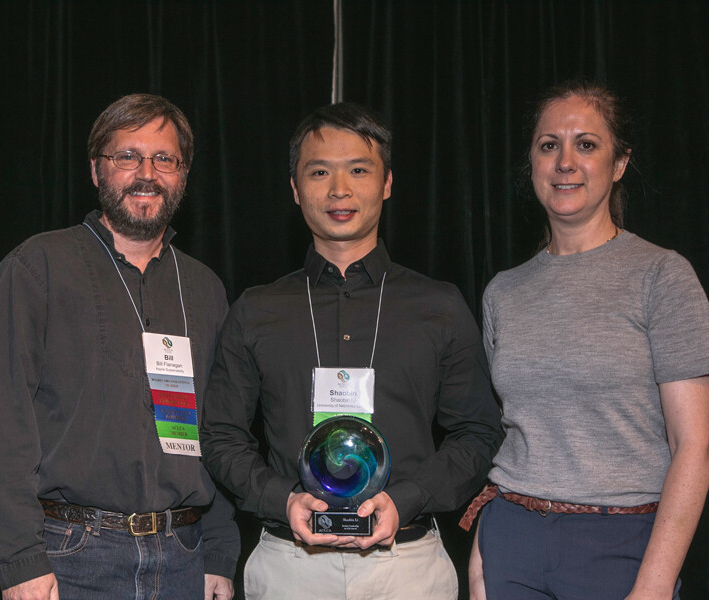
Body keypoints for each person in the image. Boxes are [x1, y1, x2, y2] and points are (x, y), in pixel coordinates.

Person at [199, 102, 503, 600]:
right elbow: (220, 435)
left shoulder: (439, 305)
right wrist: (282, 499)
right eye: (319, 172)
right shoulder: (257, 309)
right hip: (289, 566)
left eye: (358, 170)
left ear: (386, 183)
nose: (339, 189)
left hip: (407, 567)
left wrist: (407, 499)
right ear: (295, 190)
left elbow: (479, 431)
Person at [0, 94, 239, 600]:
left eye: (164, 159)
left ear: (184, 174)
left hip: (184, 557)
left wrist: (219, 548)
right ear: (95, 170)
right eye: (126, 156)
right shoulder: (37, 268)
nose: (146, 172)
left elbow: (217, 434)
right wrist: (19, 558)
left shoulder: (204, 288)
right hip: (70, 560)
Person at [460, 80, 709, 600]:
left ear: (620, 163)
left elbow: (696, 445)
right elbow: (513, 430)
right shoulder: (503, 292)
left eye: (586, 144)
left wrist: (652, 586)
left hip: (623, 546)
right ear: (532, 163)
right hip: (512, 540)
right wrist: (485, 548)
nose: (565, 162)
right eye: (548, 145)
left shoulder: (662, 276)